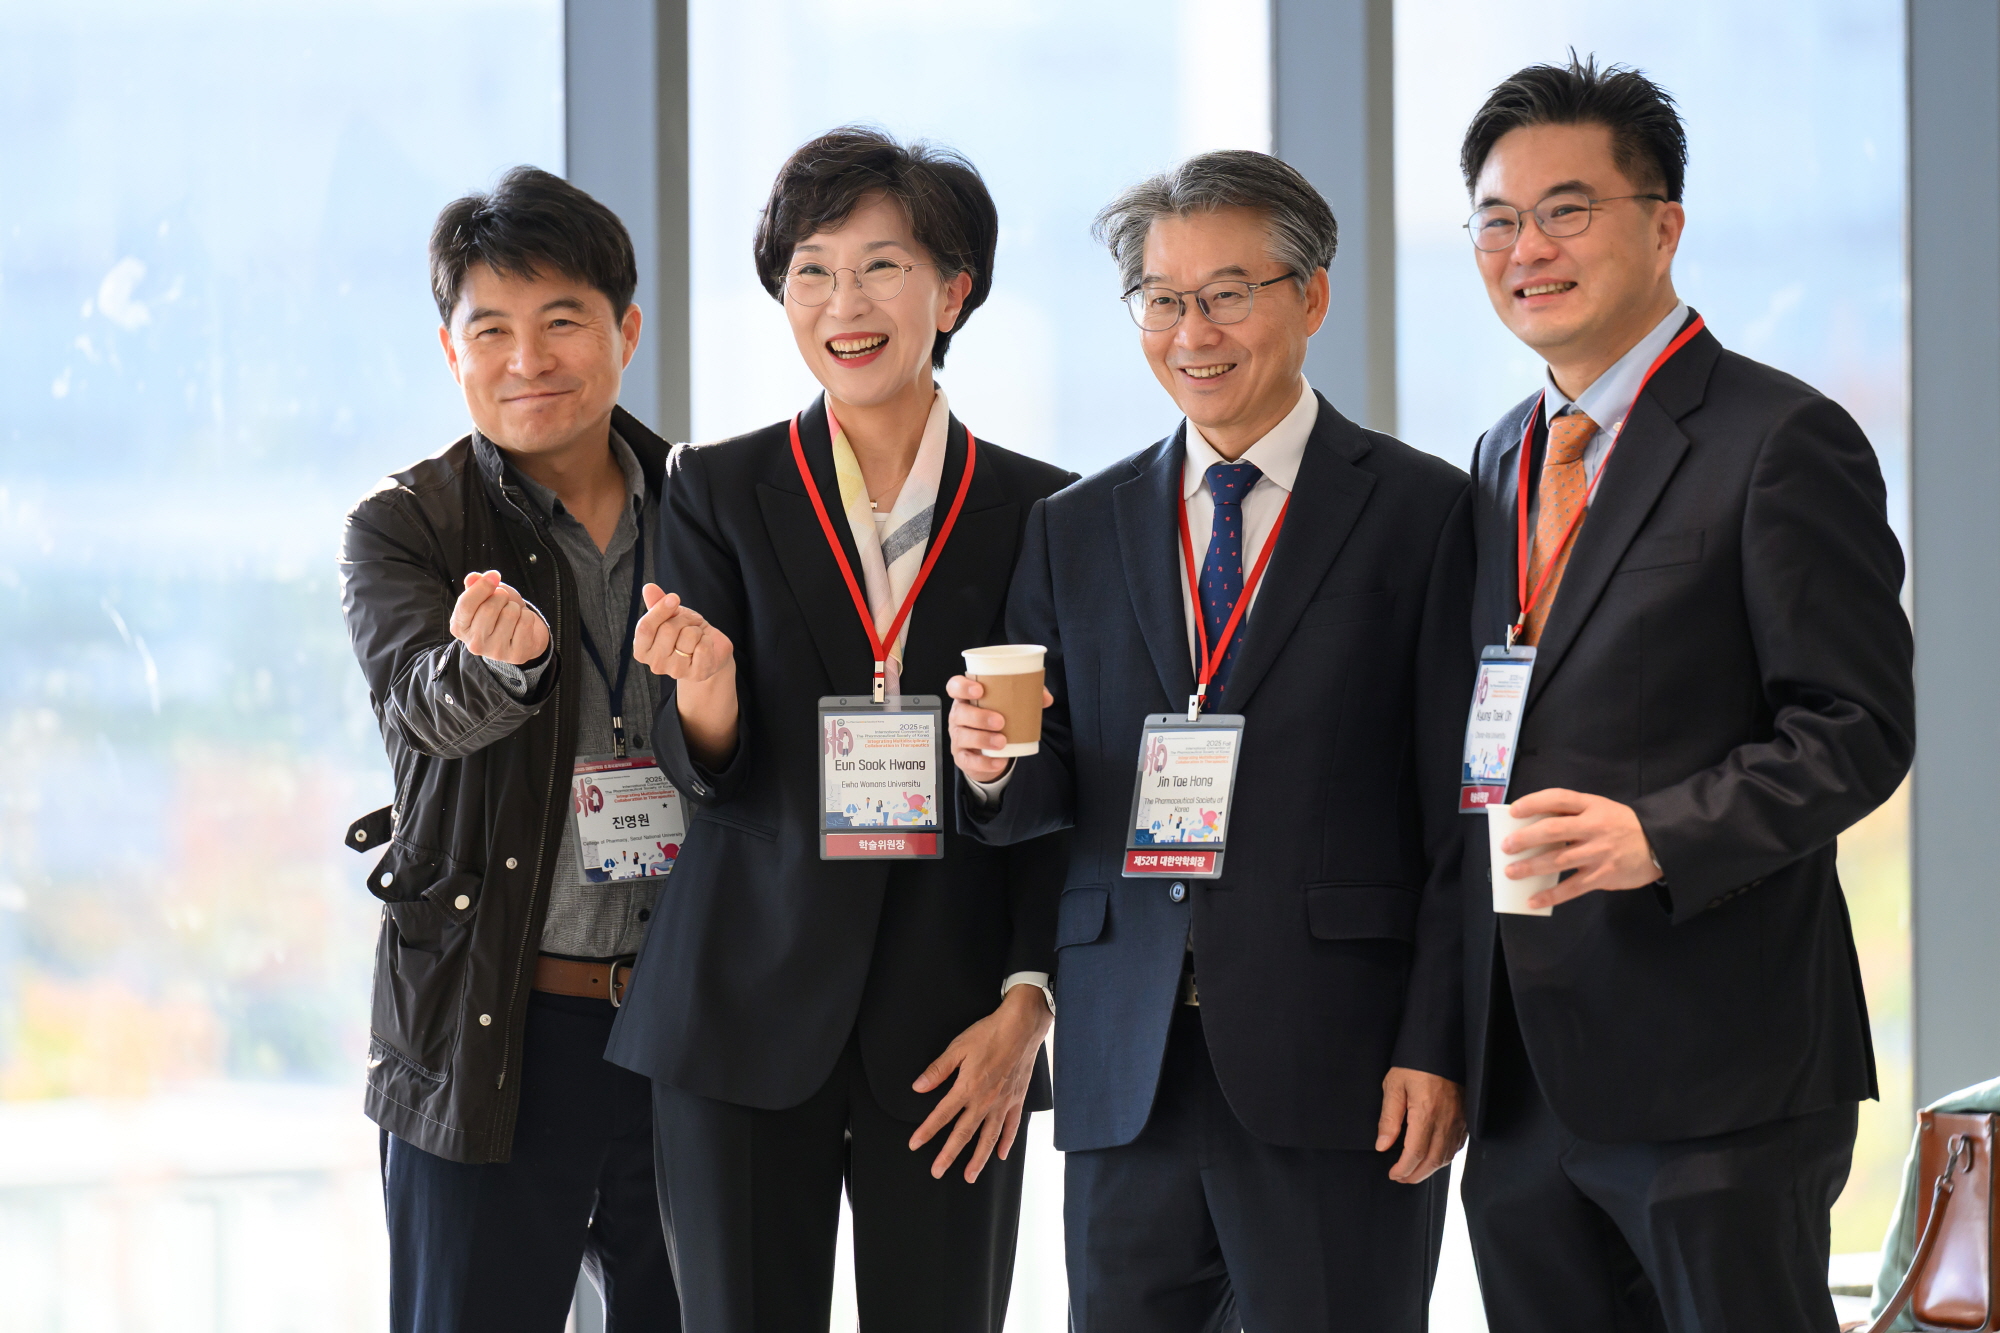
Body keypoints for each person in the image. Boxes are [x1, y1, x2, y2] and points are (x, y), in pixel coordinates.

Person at [946, 150, 1473, 1332]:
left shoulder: (1423, 512)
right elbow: (1046, 788)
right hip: (1126, 1057)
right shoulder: (1074, 526)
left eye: (1228, 293)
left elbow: (1458, 815)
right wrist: (987, 766)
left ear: (1311, 296)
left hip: (1339, 1059)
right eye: (1161, 298)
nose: (1192, 331)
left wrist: (1437, 1045)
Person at [1451, 58, 1914, 1333]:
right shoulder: (1498, 454)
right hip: (1522, 1078)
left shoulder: (1779, 439)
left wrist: (1656, 833)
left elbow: (1856, 728)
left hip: (1716, 1075)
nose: (1526, 248)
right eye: (1496, 219)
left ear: (1662, 226)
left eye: (1565, 210)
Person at [603, 127, 1075, 1333]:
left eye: (880, 268)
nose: (841, 304)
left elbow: (1060, 783)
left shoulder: (1042, 510)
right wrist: (706, 690)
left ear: (952, 291)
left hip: (955, 1027)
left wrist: (1029, 996)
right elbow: (705, 766)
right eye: (809, 271)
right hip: (739, 1005)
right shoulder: (715, 487)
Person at [337, 166, 680, 1332]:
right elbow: (418, 706)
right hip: (489, 1023)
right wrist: (503, 666)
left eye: (562, 321)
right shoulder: (406, 523)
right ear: (452, 351)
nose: (527, 358)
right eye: (491, 329)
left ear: (625, 331)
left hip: (686, 1030)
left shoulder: (708, 506)